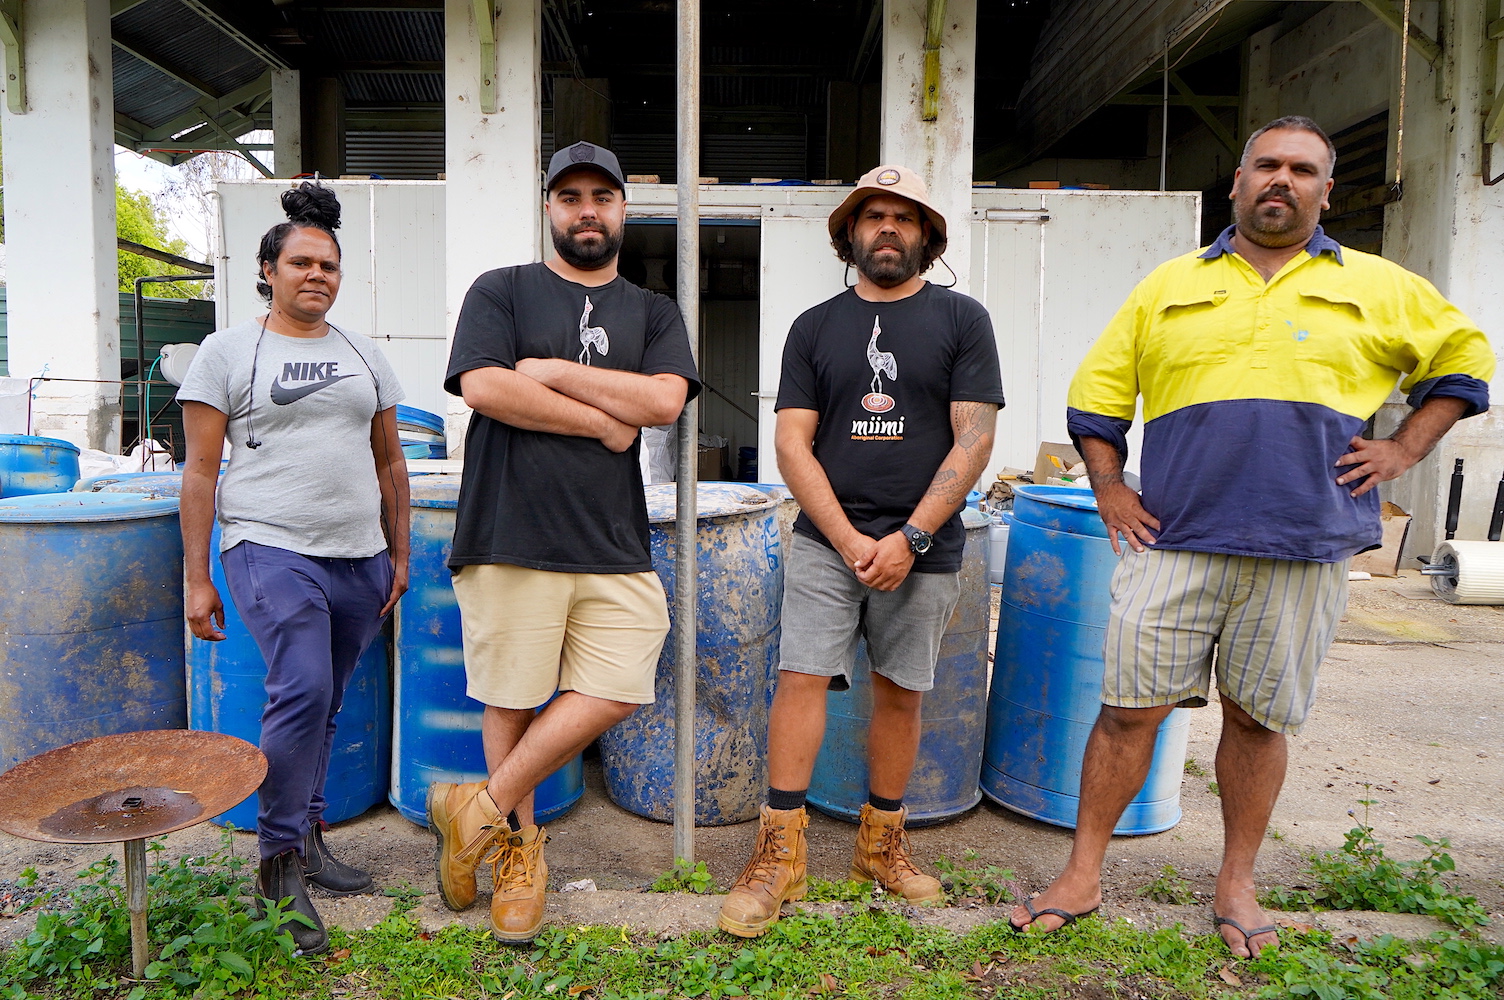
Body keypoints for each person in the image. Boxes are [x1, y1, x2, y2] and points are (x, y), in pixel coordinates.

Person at [1013, 116, 1495, 956]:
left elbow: (1464, 361)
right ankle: (1082, 872)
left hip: (1300, 550)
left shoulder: (1379, 287)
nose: (1281, 180)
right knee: (1128, 715)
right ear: (1236, 183)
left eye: (1301, 169)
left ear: (1325, 190)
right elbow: (1097, 399)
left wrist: (1406, 447)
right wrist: (1109, 487)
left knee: (1258, 722)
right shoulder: (1168, 286)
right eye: (1265, 165)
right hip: (1172, 542)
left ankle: (1235, 880)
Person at [717, 165, 1004, 938]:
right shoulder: (815, 327)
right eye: (872, 216)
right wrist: (847, 538)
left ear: (926, 237)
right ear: (849, 234)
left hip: (925, 542)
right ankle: (780, 854)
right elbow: (790, 440)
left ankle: (882, 845)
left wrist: (911, 537)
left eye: (903, 218)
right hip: (825, 540)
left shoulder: (962, 320)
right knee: (801, 678)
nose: (887, 228)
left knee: (903, 691)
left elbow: (975, 438)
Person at [430, 140, 700, 943]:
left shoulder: (653, 311)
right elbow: (484, 385)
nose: (587, 210)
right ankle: (520, 854)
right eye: (571, 196)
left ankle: (473, 811)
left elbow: (661, 400)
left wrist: (548, 368)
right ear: (549, 208)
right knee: (511, 698)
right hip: (509, 530)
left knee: (620, 684)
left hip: (613, 542)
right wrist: (597, 420)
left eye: (602, 197)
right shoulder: (502, 290)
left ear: (622, 211)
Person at [178, 182, 411, 956]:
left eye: (330, 265)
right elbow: (202, 471)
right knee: (303, 688)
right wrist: (195, 576)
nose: (318, 274)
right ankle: (276, 865)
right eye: (302, 262)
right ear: (268, 271)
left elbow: (390, 460)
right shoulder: (228, 351)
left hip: (358, 557)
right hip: (268, 546)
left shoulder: (362, 354)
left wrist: (399, 553)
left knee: (329, 700)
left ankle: (309, 837)